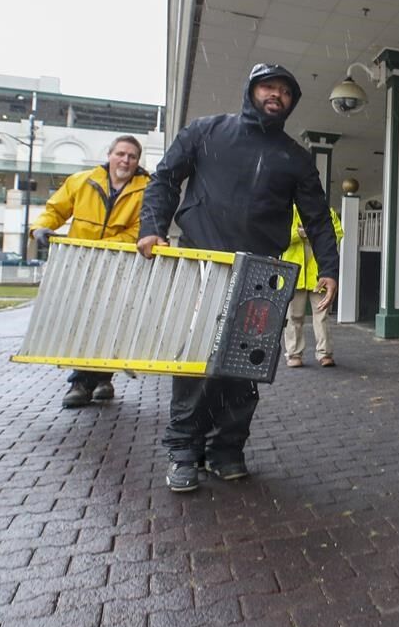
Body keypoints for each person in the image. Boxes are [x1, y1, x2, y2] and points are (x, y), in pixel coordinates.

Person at [137, 63, 339, 494]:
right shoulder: (205, 131)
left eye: (285, 91)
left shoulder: (295, 157)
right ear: (251, 90)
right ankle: (184, 453)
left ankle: (226, 450)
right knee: (194, 365)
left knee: (244, 370)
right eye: (269, 86)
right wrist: (151, 226)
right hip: (202, 265)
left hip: (260, 274)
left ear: (292, 102)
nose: (276, 95)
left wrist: (329, 270)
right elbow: (165, 179)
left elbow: (318, 218)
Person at [30, 136, 149, 408]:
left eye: (132, 156)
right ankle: (90, 380)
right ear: (109, 155)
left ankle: (92, 380)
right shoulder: (81, 181)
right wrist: (40, 228)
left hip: (119, 265)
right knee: (81, 321)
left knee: (108, 322)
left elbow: (140, 229)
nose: (125, 160)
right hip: (81, 264)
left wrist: (103, 247)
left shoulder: (147, 189)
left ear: (137, 161)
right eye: (121, 154)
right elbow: (55, 209)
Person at [282, 206, 343, 368]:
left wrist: (314, 236)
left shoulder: (326, 212)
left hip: (319, 274)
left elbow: (337, 233)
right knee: (294, 316)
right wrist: (298, 234)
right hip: (294, 273)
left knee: (322, 315)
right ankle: (294, 354)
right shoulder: (286, 211)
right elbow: (278, 237)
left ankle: (325, 354)